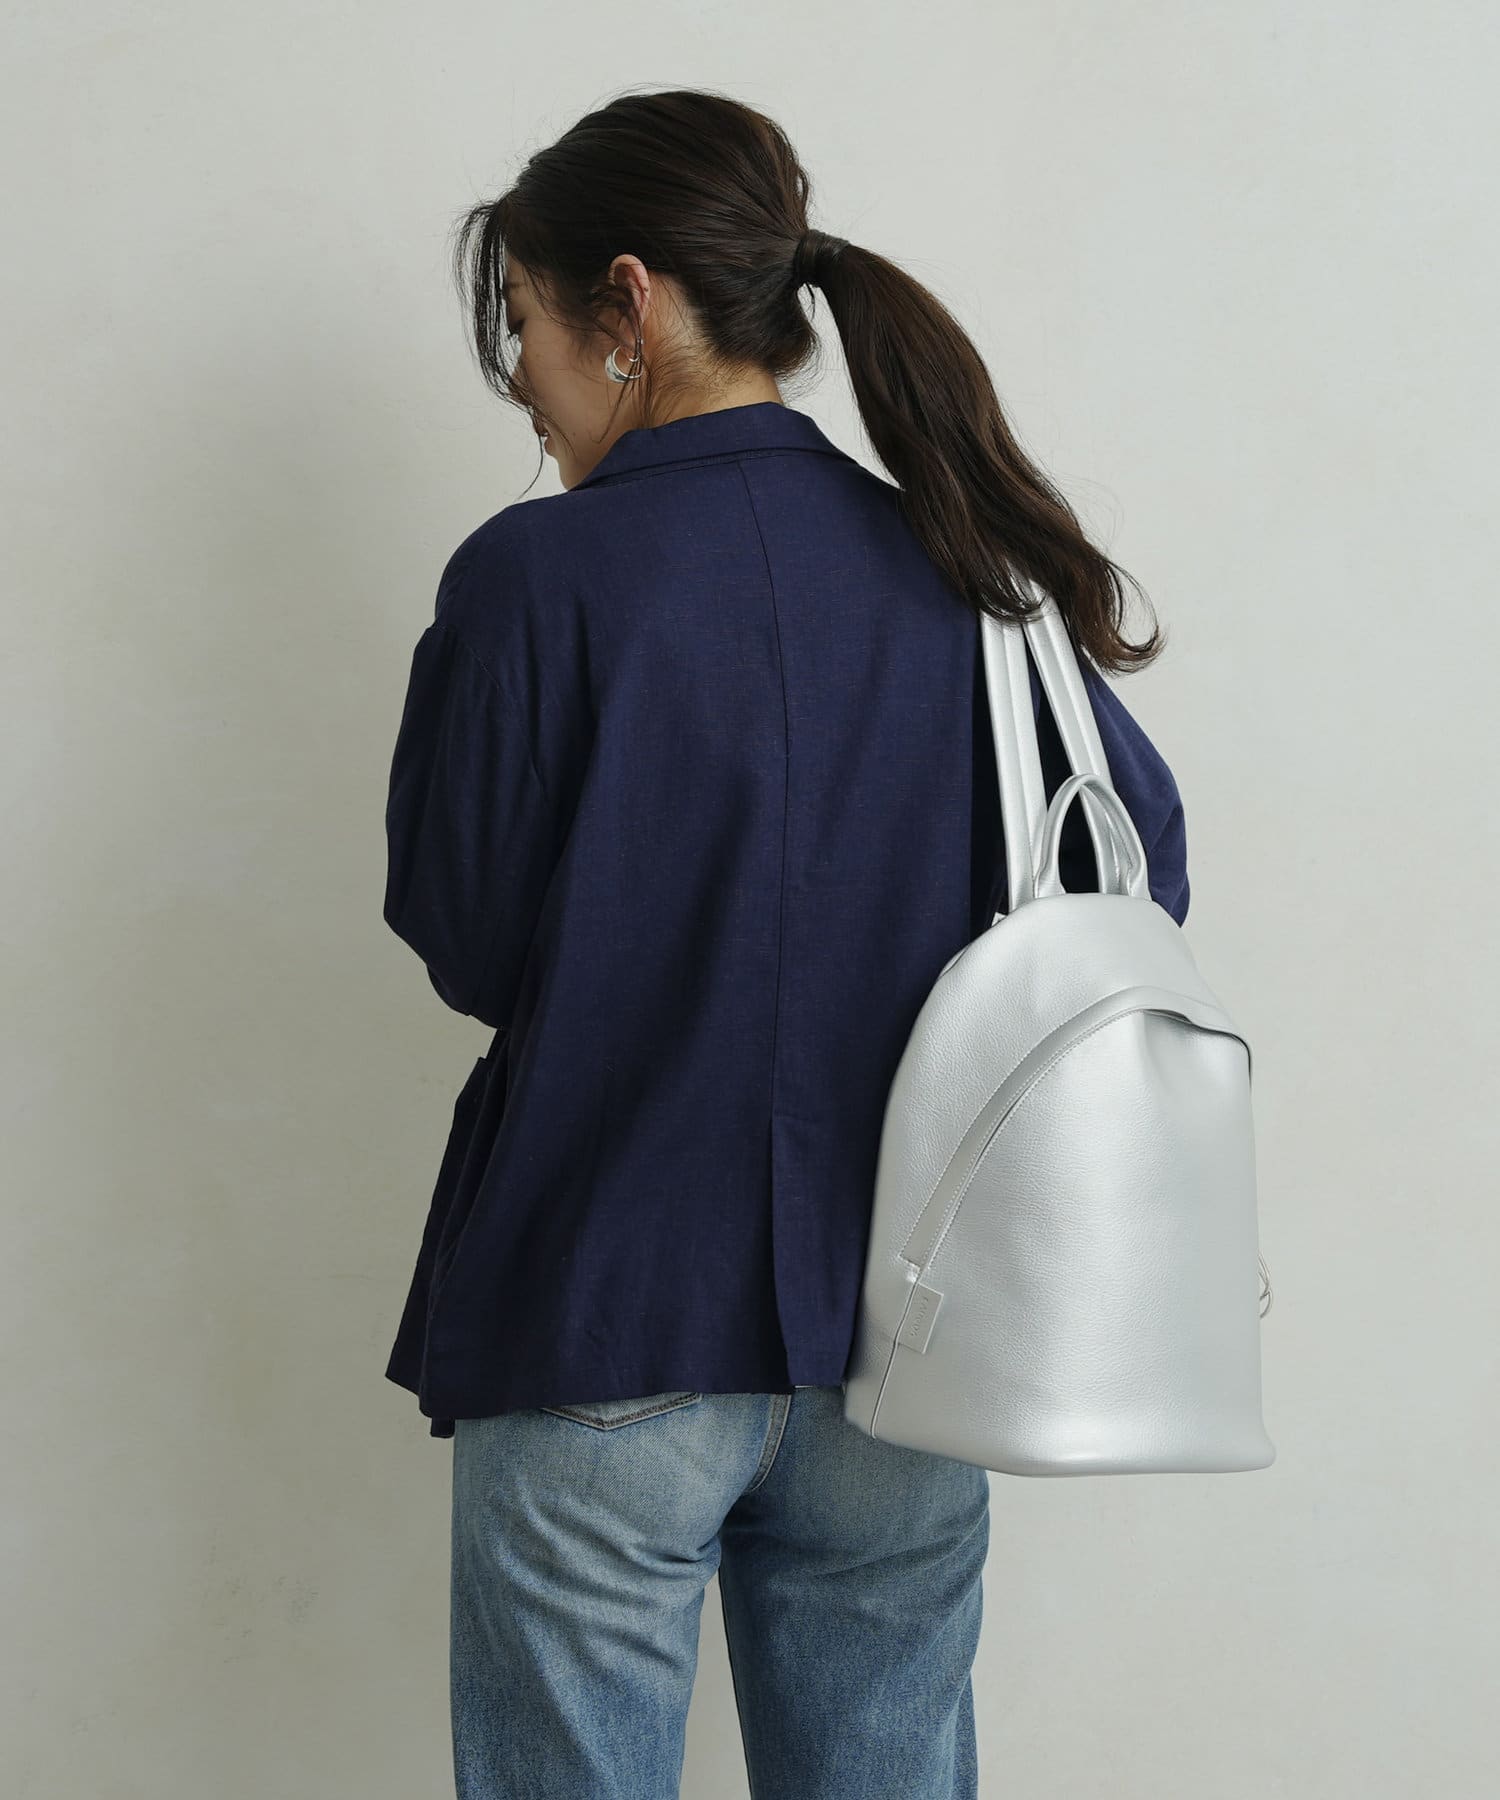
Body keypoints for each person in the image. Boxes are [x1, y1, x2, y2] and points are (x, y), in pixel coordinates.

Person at [381, 86, 1190, 1800]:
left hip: (606, 1313)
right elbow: (1135, 887)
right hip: (906, 1347)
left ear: (627, 302)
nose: (523, 381)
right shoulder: (967, 571)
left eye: (522, 324)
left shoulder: (534, 579)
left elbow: (468, 944)